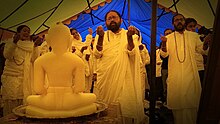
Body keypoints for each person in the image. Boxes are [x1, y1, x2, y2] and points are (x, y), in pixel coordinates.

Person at [26, 23, 97, 117]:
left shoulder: (40, 61)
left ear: (48, 40)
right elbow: (79, 88)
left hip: (48, 101)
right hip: (70, 101)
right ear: (70, 39)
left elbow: (39, 89)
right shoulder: (77, 60)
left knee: (30, 100)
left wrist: (47, 94)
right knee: (92, 97)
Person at [93, 10, 145, 123]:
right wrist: (101, 37)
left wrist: (130, 37)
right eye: (109, 18)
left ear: (121, 20)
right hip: (107, 78)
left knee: (124, 106)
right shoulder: (101, 35)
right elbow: (97, 54)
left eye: (114, 17)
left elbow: (132, 53)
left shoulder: (129, 34)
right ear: (105, 22)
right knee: (108, 110)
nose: (112, 20)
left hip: (125, 77)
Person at [160, 14, 209, 124]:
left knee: (192, 105)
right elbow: (163, 54)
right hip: (176, 76)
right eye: (176, 20)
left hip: (191, 75)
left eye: (181, 20)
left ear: (184, 22)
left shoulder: (193, 36)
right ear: (173, 23)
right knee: (178, 106)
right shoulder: (168, 38)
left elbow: (203, 50)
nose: (179, 22)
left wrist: (205, 43)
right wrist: (163, 44)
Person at [1, 25, 41, 116]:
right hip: (12, 77)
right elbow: (7, 55)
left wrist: (35, 46)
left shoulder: (30, 45)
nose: (26, 33)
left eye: (28, 31)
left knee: (23, 101)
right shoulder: (11, 43)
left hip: (25, 78)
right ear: (18, 33)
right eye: (24, 31)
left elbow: (34, 59)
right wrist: (14, 43)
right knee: (12, 100)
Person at [185, 18, 206, 84]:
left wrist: (205, 43)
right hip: (188, 68)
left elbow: (204, 51)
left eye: (194, 26)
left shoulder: (198, 37)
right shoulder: (182, 38)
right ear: (185, 27)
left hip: (199, 67)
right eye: (190, 26)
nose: (193, 28)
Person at [160, 28, 173, 103]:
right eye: (166, 34)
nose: (168, 35)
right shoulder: (162, 43)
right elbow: (162, 56)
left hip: (174, 68)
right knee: (165, 86)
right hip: (165, 68)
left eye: (170, 33)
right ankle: (166, 102)